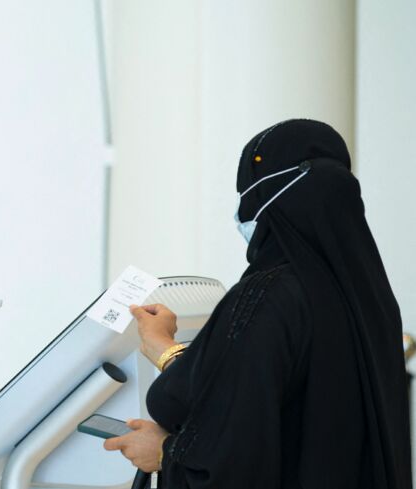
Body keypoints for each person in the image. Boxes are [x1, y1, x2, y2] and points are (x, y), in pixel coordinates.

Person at [103, 119, 411, 488]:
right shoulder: (371, 302)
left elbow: (234, 456)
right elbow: (265, 390)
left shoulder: (268, 295)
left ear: (267, 197)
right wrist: (167, 349)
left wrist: (167, 455)